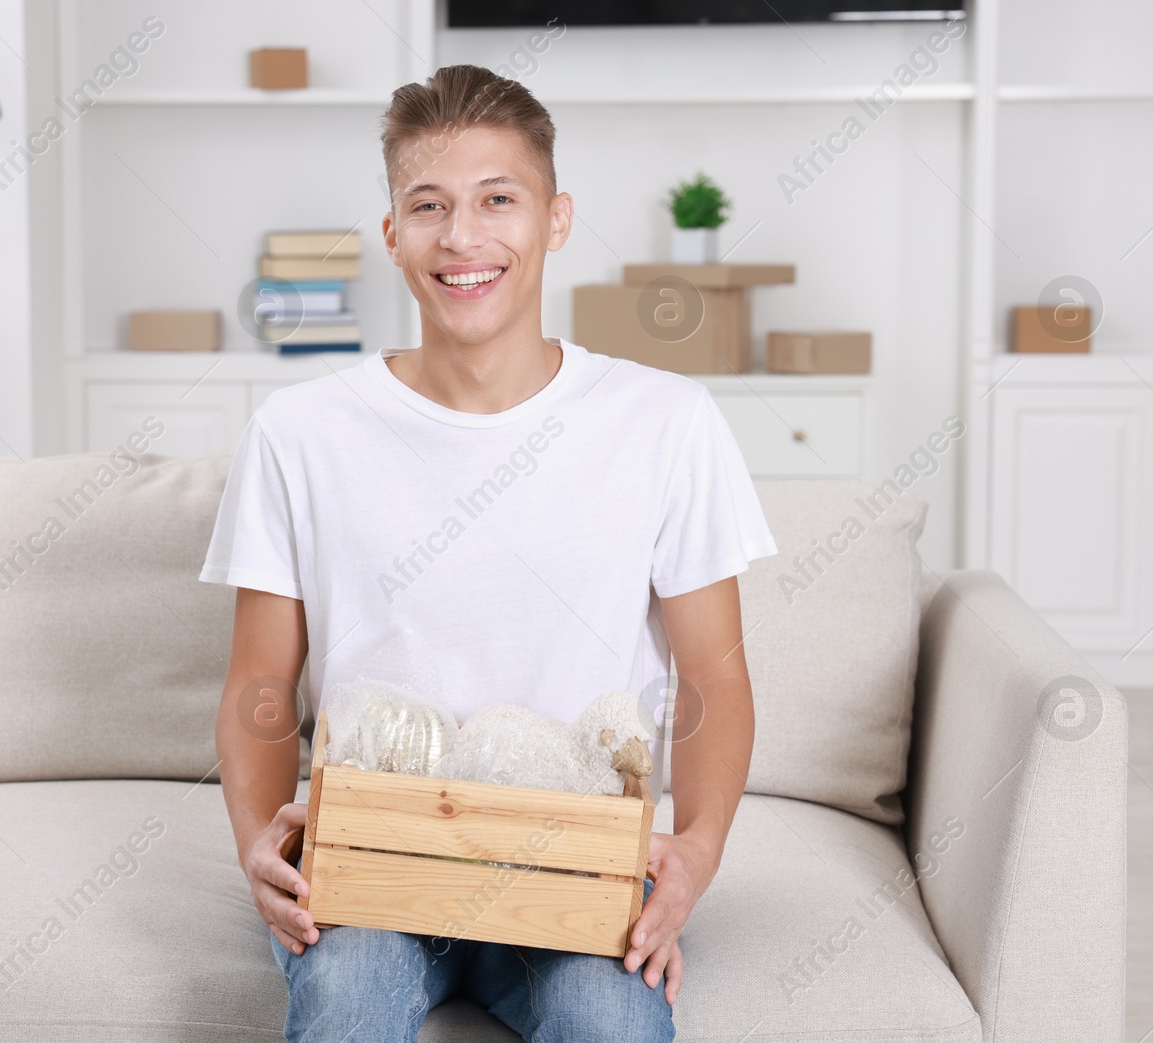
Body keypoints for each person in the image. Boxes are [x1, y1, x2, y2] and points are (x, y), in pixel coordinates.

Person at [200, 62, 776, 1043]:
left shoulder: (665, 421)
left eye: (496, 200)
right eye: (428, 205)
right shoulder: (300, 431)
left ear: (554, 218)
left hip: (579, 869)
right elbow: (259, 678)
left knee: (611, 1020)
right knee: (344, 1004)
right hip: (371, 865)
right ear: (392, 234)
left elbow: (714, 671)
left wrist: (698, 850)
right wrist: (257, 837)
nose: (461, 237)